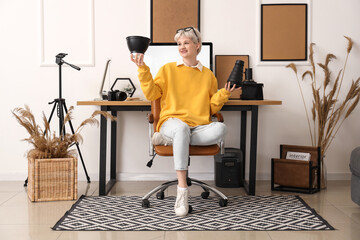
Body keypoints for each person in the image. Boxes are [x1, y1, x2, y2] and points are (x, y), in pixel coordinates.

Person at [131, 27, 240, 217]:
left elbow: (211, 108)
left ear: (197, 46)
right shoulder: (167, 70)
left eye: (186, 43)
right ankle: (182, 191)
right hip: (172, 122)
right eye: (179, 44)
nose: (181, 47)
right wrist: (142, 68)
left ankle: (167, 139)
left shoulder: (208, 75)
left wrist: (225, 93)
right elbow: (151, 94)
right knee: (181, 128)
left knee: (221, 128)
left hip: (198, 126)